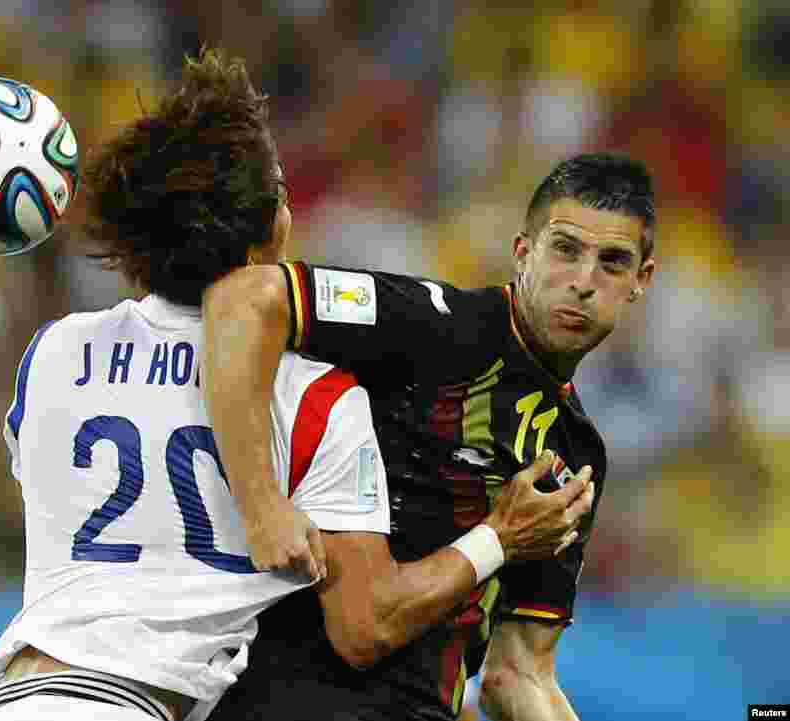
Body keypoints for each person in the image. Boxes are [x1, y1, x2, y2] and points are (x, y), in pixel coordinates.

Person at [0, 49, 594, 721]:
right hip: (131, 705)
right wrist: (499, 535)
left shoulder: (54, 354)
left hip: (13, 699)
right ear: (268, 237)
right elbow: (368, 624)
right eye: (284, 195)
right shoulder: (313, 396)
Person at [202, 152, 656, 720]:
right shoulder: (432, 324)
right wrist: (262, 505)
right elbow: (246, 297)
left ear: (641, 280)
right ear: (523, 252)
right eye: (565, 249)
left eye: (613, 263)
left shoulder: (576, 452)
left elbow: (518, 675)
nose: (584, 282)